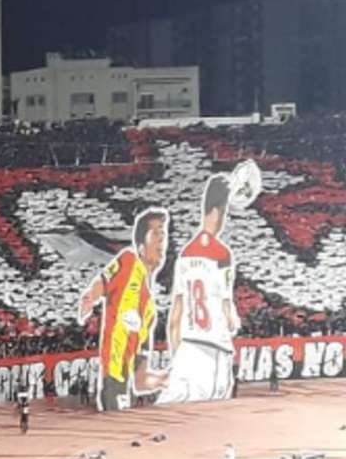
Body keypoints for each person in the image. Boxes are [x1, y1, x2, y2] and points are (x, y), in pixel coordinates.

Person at [77, 207, 171, 412]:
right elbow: (104, 280)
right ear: (141, 244)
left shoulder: (149, 311)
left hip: (125, 385)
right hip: (113, 379)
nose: (161, 241)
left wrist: (169, 378)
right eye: (155, 234)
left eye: (163, 235)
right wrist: (90, 298)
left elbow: (141, 380)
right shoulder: (129, 261)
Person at [157, 175, 239, 405]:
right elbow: (227, 312)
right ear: (219, 211)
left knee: (170, 409)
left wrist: (177, 357)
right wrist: (232, 319)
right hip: (214, 349)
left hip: (187, 349)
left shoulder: (185, 254)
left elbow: (175, 318)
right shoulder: (222, 254)